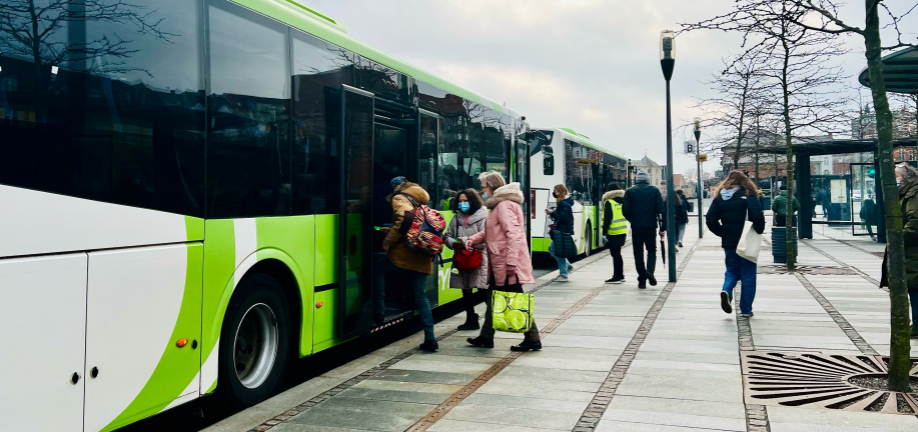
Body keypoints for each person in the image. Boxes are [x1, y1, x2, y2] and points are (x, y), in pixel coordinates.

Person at [465, 172, 540, 352]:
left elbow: (513, 235)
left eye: (483, 186)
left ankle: (532, 338)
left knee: (515, 300)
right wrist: (473, 239)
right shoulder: (499, 205)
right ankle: (486, 336)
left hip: (506, 264)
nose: (481, 190)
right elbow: (491, 231)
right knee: (493, 298)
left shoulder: (504, 205)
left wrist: (512, 262)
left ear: (491, 186)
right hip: (501, 262)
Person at [374, 176, 438, 352]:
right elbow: (414, 223)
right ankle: (430, 338)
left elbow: (405, 218)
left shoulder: (399, 197)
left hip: (407, 252)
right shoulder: (420, 199)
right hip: (423, 252)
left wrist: (389, 240)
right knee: (420, 295)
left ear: (396, 187)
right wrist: (393, 229)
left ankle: (378, 311)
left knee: (378, 269)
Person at [706, 170, 765, 317]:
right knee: (748, 274)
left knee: (731, 270)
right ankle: (746, 310)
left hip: (730, 241)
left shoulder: (720, 197)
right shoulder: (749, 194)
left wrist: (723, 232)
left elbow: (710, 219)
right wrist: (759, 229)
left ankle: (726, 290)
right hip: (747, 240)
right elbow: (756, 214)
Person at [881, 163, 918, 338]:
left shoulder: (914, 195)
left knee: (915, 287)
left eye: (897, 177)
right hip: (910, 251)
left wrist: (897, 239)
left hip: (913, 250)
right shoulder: (907, 193)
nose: (895, 180)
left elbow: (914, 224)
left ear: (905, 177)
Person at [444, 188, 489, 331]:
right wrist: (452, 243)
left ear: (472, 201)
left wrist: (464, 241)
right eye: (460, 201)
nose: (462, 203)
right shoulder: (456, 217)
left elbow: (485, 239)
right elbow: (447, 235)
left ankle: (493, 319)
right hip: (462, 258)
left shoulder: (483, 217)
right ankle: (471, 318)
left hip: (478, 258)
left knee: (482, 290)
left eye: (465, 201)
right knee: (466, 290)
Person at [622, 169, 666, 289]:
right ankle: (650, 272)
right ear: (648, 180)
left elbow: (625, 210)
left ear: (636, 180)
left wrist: (633, 219)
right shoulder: (654, 191)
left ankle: (642, 278)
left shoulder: (630, 192)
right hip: (651, 226)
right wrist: (663, 227)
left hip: (636, 227)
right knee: (651, 250)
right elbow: (661, 210)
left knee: (638, 252)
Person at [546, 184, 575, 282]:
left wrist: (552, 213)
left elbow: (562, 218)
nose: (554, 193)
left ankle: (564, 274)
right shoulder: (564, 203)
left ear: (561, 191)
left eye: (556, 191)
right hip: (562, 230)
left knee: (556, 251)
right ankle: (567, 266)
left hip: (562, 231)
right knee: (553, 250)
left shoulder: (563, 203)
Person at [602, 183, 627, 283]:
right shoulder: (623, 201)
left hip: (613, 232)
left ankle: (617, 277)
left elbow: (607, 219)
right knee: (618, 254)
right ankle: (620, 275)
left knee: (615, 255)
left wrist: (604, 233)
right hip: (622, 231)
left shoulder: (609, 202)